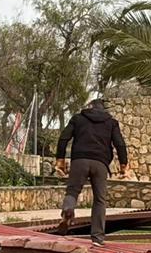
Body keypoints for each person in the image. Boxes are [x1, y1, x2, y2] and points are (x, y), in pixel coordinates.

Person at [54, 98, 131, 245]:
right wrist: (123, 165)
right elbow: (120, 144)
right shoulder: (111, 122)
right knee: (100, 200)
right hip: (100, 163)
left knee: (72, 192)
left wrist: (60, 160)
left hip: (79, 161)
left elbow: (64, 138)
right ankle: (97, 237)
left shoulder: (78, 119)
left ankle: (68, 209)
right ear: (104, 109)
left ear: (89, 108)